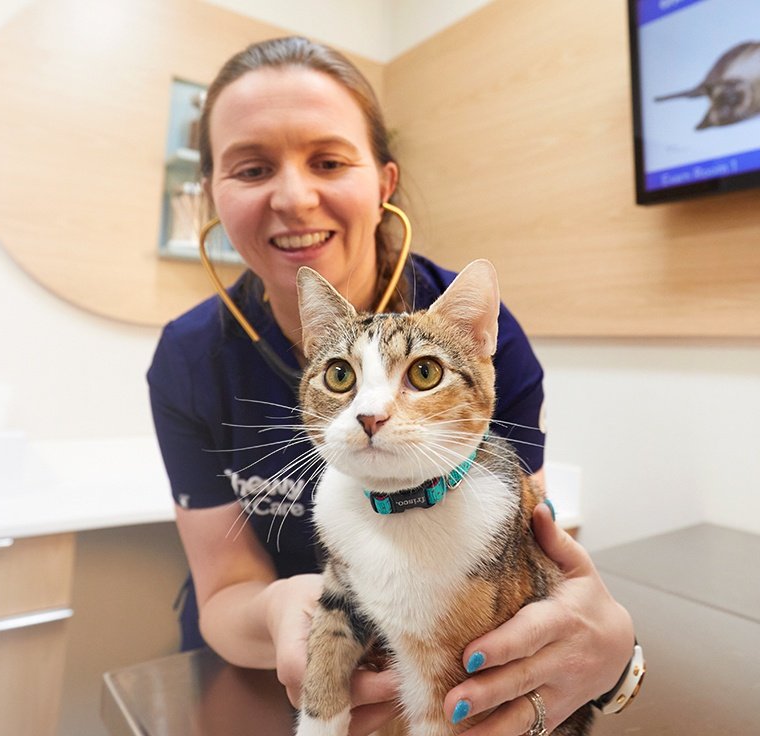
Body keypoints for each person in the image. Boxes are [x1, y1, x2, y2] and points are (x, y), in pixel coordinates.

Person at [147, 37, 637, 735]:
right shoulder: (189, 359)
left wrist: (614, 658)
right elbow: (223, 589)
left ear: (384, 181)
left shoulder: (465, 326)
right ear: (213, 193)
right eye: (252, 168)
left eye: (329, 161)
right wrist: (288, 617)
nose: (293, 196)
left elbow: (526, 538)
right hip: (258, 673)